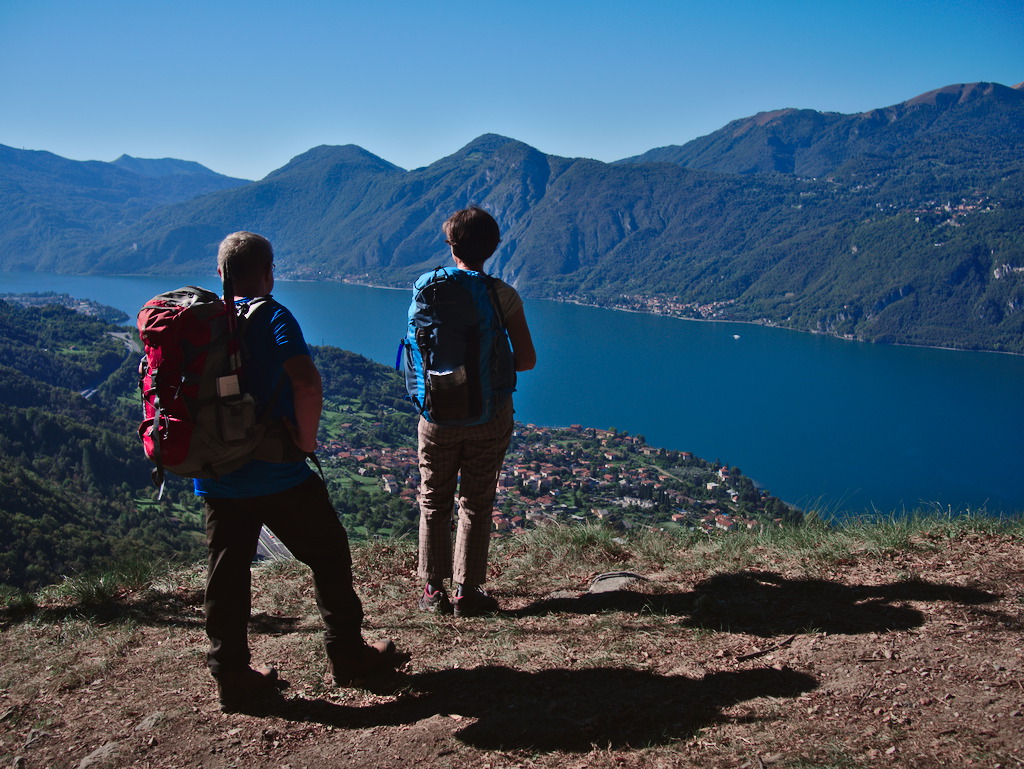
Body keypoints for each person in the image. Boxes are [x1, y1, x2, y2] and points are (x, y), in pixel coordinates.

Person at [197, 231, 399, 712]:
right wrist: (306, 442)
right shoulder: (272, 314)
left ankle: (232, 676)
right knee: (329, 553)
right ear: (269, 273)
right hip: (278, 471)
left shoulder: (203, 320)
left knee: (226, 574)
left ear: (220, 274)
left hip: (219, 474)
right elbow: (305, 380)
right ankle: (348, 655)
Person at [414, 207, 537, 617]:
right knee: (477, 502)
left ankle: (432, 591)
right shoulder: (502, 294)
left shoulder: (424, 287)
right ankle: (468, 591)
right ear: (494, 248)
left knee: (434, 500)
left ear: (452, 247)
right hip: (489, 415)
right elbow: (527, 360)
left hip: (437, 414)